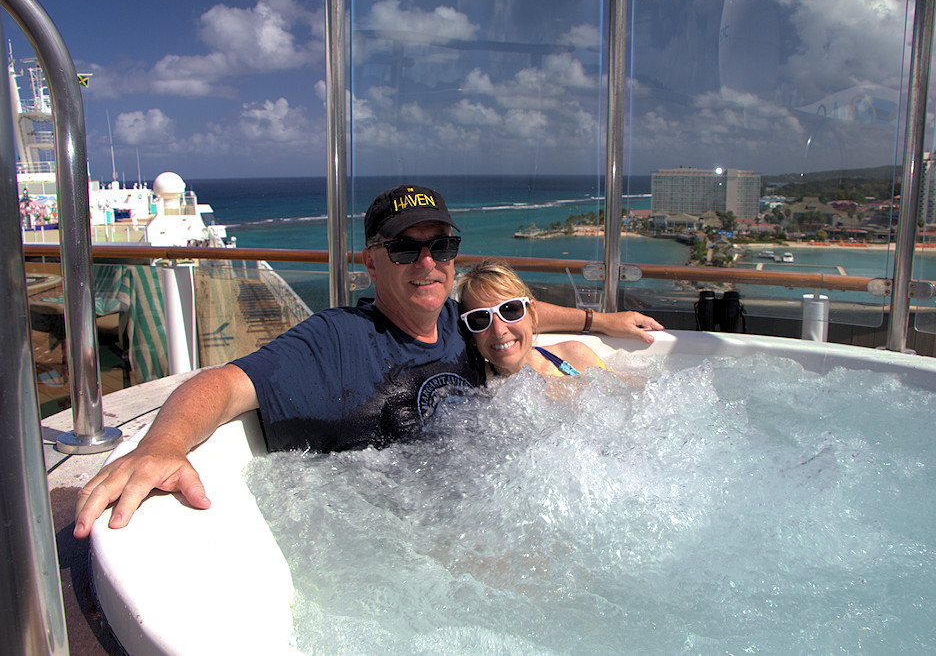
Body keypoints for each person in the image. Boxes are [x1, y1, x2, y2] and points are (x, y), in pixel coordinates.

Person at [73, 184, 663, 539]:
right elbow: (225, 385)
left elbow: (517, 313)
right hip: (405, 529)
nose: (427, 262)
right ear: (371, 262)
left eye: (442, 246)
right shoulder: (339, 338)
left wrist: (602, 322)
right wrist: (162, 447)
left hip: (496, 501)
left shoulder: (466, 324)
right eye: (406, 248)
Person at [455, 259, 607, 377]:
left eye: (510, 311)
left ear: (532, 312)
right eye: (480, 319)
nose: (499, 330)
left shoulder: (574, 355)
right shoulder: (475, 387)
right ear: (471, 335)